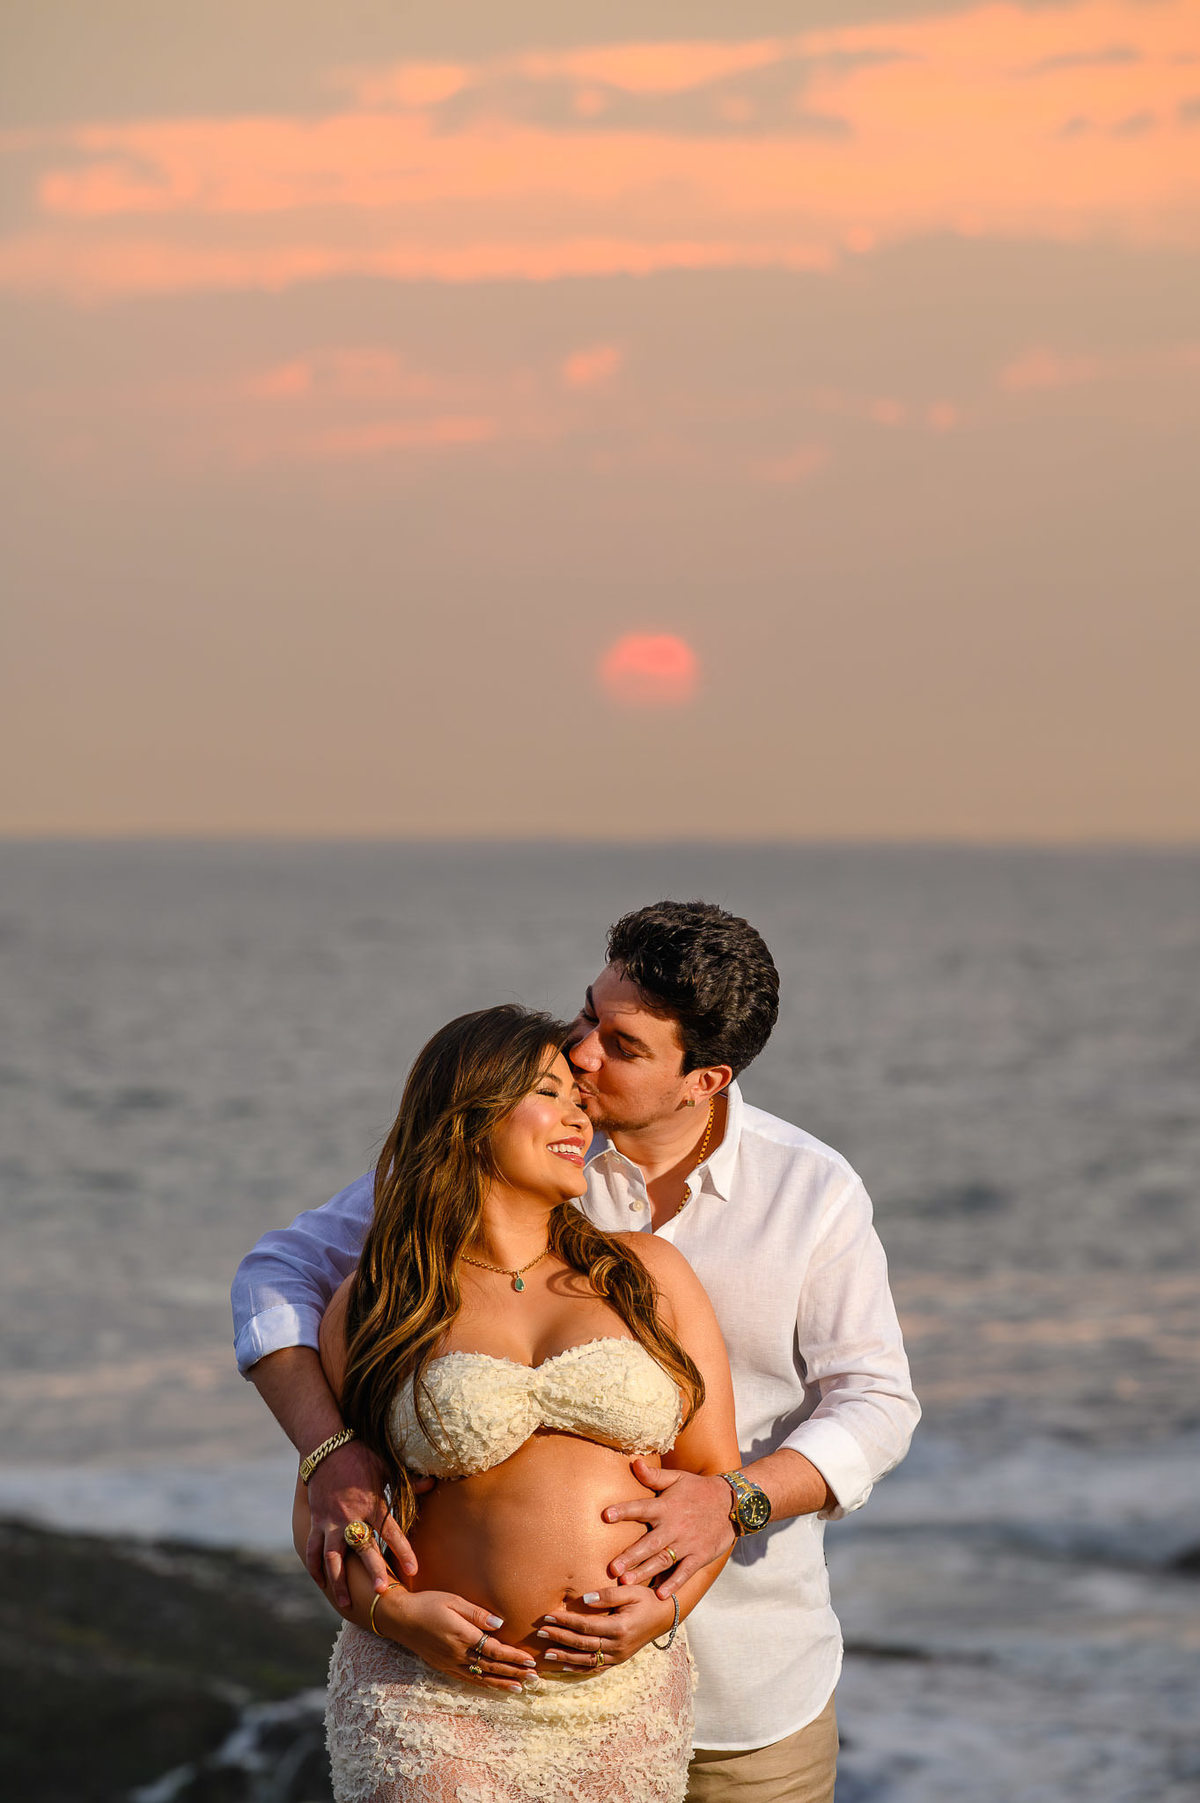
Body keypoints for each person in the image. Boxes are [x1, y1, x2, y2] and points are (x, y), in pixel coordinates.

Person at [232, 901, 920, 1803]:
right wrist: (329, 1450)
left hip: (745, 1685)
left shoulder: (808, 1190)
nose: (584, 1054)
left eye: (623, 1045)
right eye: (588, 1014)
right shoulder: (514, 1148)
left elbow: (875, 1402)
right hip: (462, 1695)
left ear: (703, 1078)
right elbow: (276, 1277)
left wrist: (735, 1499)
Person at [288, 1001, 740, 1803]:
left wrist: (661, 1614)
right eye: (550, 1092)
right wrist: (398, 1617)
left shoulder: (648, 1275)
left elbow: (712, 1492)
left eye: (580, 1096)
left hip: (620, 1699)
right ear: (468, 1112)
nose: (579, 1114)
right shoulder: (381, 1300)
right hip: (427, 1699)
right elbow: (329, 1516)